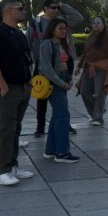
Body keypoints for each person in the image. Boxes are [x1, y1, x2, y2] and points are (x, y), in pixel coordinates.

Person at [0, 0, 35, 186]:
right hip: (7, 89)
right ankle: (4, 171)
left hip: (23, 87)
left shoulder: (19, 34)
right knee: (6, 129)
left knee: (16, 128)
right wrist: (3, 86)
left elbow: (26, 59)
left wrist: (28, 82)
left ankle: (13, 165)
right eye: (20, 8)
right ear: (8, 11)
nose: (23, 11)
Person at [28, 0, 85, 137]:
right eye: (53, 7)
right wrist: (31, 61)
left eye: (57, 7)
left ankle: (65, 123)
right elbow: (28, 43)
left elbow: (79, 18)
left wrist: (63, 5)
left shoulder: (62, 21)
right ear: (45, 8)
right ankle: (40, 127)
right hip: (44, 63)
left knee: (62, 96)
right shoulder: (36, 23)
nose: (56, 10)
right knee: (42, 95)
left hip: (64, 63)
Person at [38, 17, 80, 163]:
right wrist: (62, 83)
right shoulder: (47, 44)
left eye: (65, 28)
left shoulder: (63, 44)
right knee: (63, 116)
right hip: (53, 83)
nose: (63, 31)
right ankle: (62, 153)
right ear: (52, 30)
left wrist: (69, 79)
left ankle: (50, 150)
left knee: (57, 116)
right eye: (60, 28)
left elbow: (69, 62)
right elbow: (46, 68)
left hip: (63, 80)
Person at [78, 15, 108, 126]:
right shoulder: (91, 36)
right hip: (88, 67)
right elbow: (85, 52)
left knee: (99, 93)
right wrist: (79, 66)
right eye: (94, 23)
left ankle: (98, 117)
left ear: (103, 24)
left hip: (102, 68)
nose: (96, 25)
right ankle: (98, 111)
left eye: (98, 22)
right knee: (84, 91)